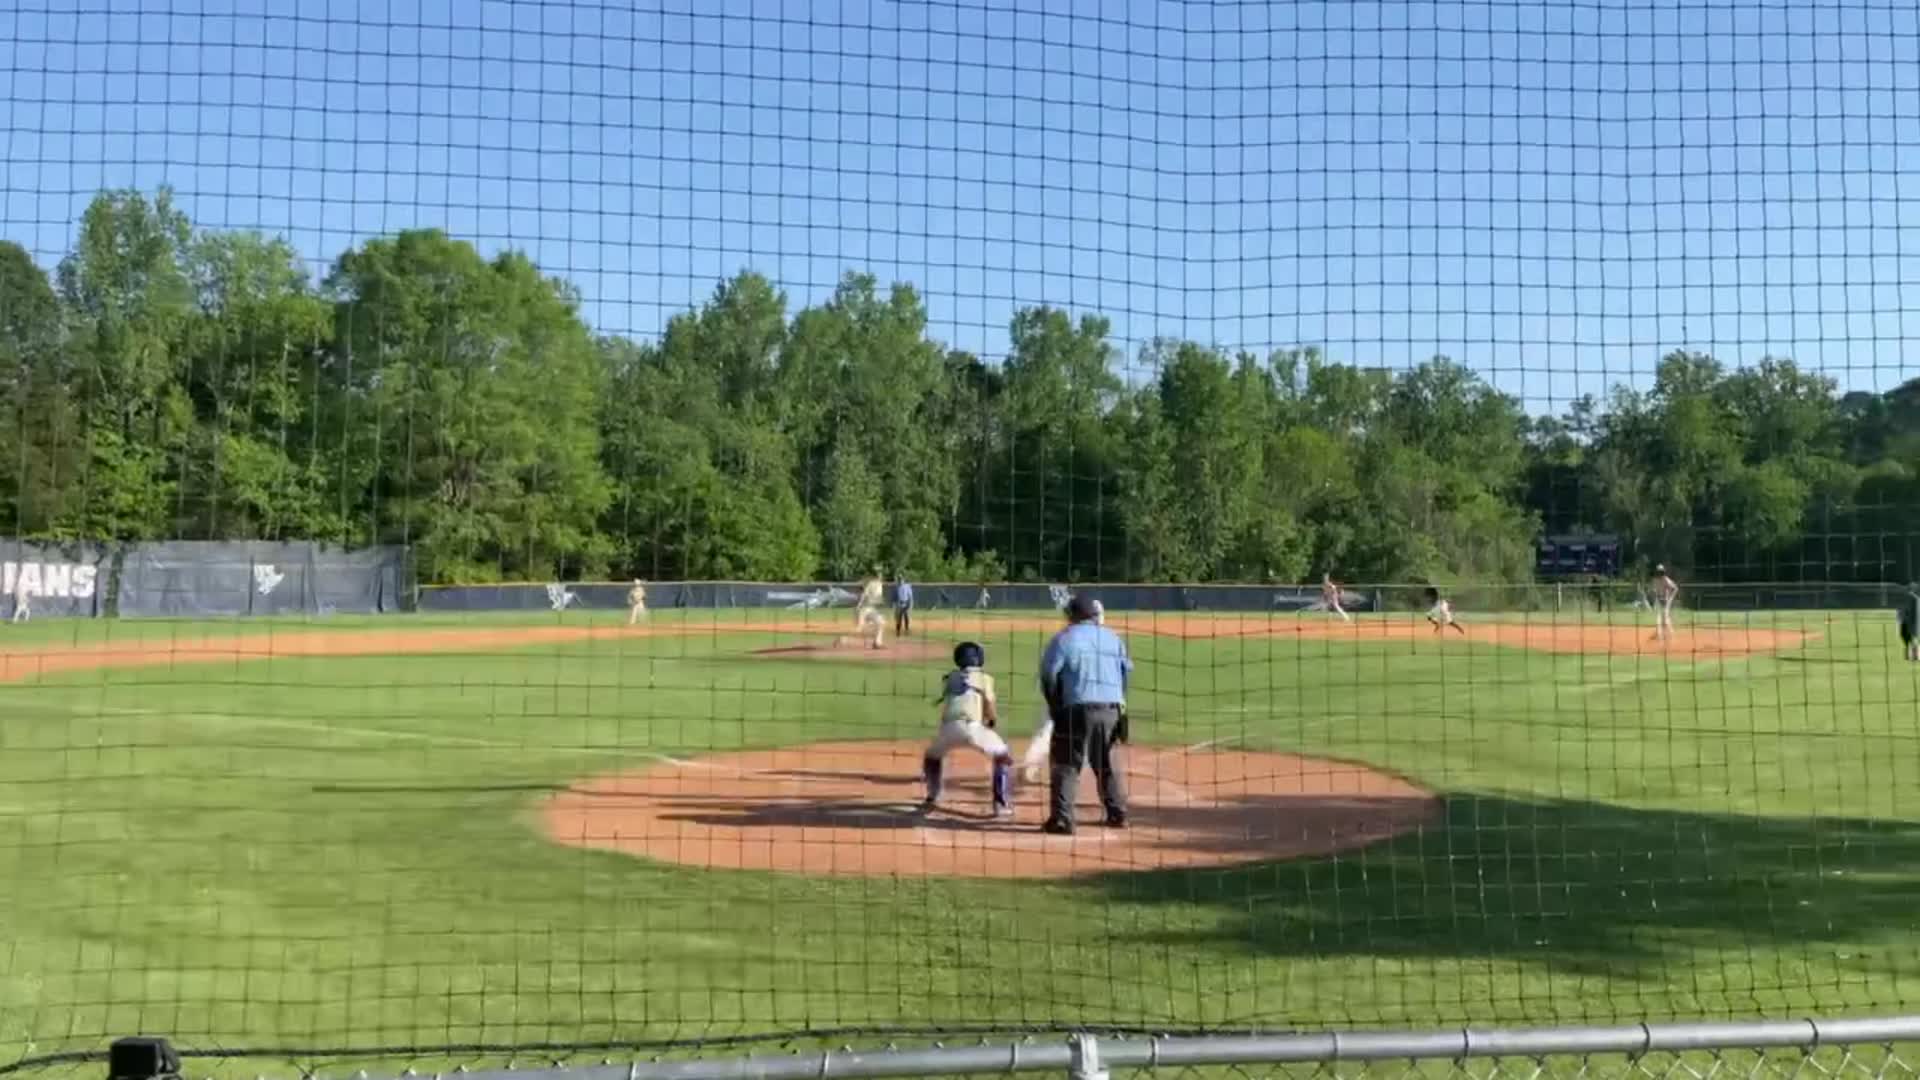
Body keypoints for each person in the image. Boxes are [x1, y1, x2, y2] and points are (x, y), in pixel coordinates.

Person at [1037, 594, 1132, 835]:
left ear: (1072, 615)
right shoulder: (1113, 637)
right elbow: (1124, 675)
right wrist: (1120, 705)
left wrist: (1054, 705)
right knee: (1107, 762)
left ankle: (1062, 819)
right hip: (1112, 708)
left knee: (1067, 763)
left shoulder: (1064, 639)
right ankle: (1117, 813)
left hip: (1076, 708)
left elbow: (1049, 675)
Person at [919, 641, 1014, 819]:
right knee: (1002, 756)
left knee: (932, 757)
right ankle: (1000, 804)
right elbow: (989, 705)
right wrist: (991, 721)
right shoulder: (985, 678)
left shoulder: (949, 678)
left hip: (948, 727)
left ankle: (933, 797)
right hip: (972, 727)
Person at [854, 570, 886, 649]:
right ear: (876, 577)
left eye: (881, 575)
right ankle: (842, 639)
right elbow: (864, 594)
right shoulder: (871, 584)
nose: (880, 577)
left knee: (881, 622)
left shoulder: (880, 585)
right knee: (859, 629)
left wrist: (880, 602)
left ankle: (877, 643)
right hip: (864, 609)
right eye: (878, 575)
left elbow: (877, 599)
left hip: (871, 609)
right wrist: (859, 605)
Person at [1898, 583, 1918, 662]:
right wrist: (1900, 619)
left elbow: (1915, 612)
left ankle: (1914, 656)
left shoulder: (1914, 599)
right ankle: (1908, 655)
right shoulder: (1903, 598)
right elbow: (1900, 610)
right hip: (1904, 621)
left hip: (1911, 622)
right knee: (1905, 637)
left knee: (1911, 638)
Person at [893, 574, 914, 638]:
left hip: (906, 603)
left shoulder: (907, 586)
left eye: (901, 579)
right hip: (899, 604)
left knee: (906, 617)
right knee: (898, 618)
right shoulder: (896, 587)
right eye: (899, 579)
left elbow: (910, 596)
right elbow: (894, 598)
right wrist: (895, 606)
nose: (900, 580)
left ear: (903, 579)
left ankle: (906, 630)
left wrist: (910, 605)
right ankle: (898, 631)